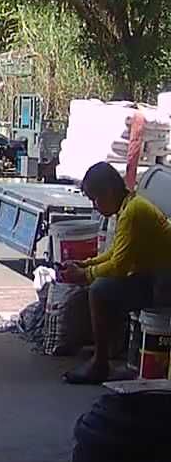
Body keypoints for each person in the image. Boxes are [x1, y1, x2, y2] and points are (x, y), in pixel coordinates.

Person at [59, 161, 171, 384]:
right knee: (104, 285)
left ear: (109, 192)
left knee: (99, 291)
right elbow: (116, 252)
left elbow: (119, 264)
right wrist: (87, 264)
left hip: (163, 282)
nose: (95, 206)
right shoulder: (129, 207)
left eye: (95, 199)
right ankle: (109, 353)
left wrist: (86, 274)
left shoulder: (133, 212)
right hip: (155, 276)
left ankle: (100, 363)